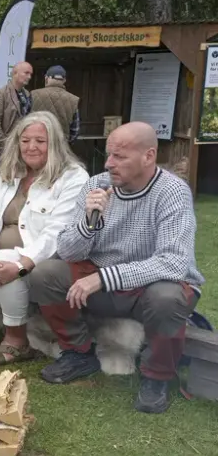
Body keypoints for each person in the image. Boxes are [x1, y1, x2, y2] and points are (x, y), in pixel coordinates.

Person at [29, 122, 204, 413]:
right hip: (103, 280)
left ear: (148, 156)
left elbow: (173, 262)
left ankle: (156, 376)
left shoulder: (173, 191)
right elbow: (68, 251)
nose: (109, 163)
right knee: (46, 275)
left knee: (168, 297)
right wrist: (88, 221)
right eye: (108, 155)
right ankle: (78, 352)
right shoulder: (96, 184)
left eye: (119, 157)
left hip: (151, 286)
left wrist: (104, 278)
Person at [0, 112, 88, 362]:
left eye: (40, 141)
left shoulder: (73, 177)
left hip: (42, 262)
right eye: (25, 140)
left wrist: (21, 264)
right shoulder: (9, 171)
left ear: (54, 143)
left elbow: (57, 232)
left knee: (6, 258)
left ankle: (17, 341)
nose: (31, 147)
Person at [0, 61, 33, 164]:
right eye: (26, 73)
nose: (29, 77)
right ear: (15, 73)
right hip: (6, 150)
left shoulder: (27, 94)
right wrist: (7, 145)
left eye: (31, 74)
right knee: (6, 178)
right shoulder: (1, 94)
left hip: (23, 147)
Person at [31, 65, 80, 143]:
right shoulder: (73, 99)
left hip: (36, 143)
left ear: (46, 78)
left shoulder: (33, 95)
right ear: (64, 80)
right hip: (61, 146)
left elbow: (24, 120)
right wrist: (67, 145)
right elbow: (75, 131)